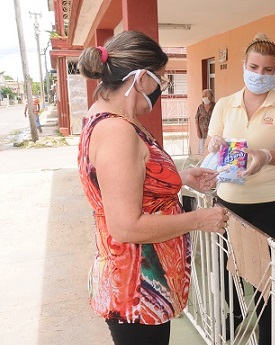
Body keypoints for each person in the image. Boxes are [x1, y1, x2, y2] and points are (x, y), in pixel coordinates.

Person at [76, 31, 229, 345]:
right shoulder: (118, 131)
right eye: (161, 78)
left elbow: (128, 182)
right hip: (136, 288)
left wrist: (180, 179)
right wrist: (200, 220)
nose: (162, 87)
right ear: (141, 78)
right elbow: (126, 226)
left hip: (136, 281)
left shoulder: (107, 118)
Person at [206, 33, 275, 344]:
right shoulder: (224, 104)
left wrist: (266, 155)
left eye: (268, 70)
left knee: (266, 283)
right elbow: (210, 142)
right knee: (229, 276)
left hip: (271, 206)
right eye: (255, 67)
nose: (260, 75)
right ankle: (232, 333)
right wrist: (213, 144)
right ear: (244, 66)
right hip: (228, 205)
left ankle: (265, 340)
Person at [195, 88, 214, 154]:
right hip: (202, 134)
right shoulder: (200, 107)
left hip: (212, 134)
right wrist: (198, 131)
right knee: (202, 152)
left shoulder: (215, 106)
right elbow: (196, 119)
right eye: (203, 96)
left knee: (211, 152)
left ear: (210, 97)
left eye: (206, 96)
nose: (204, 98)